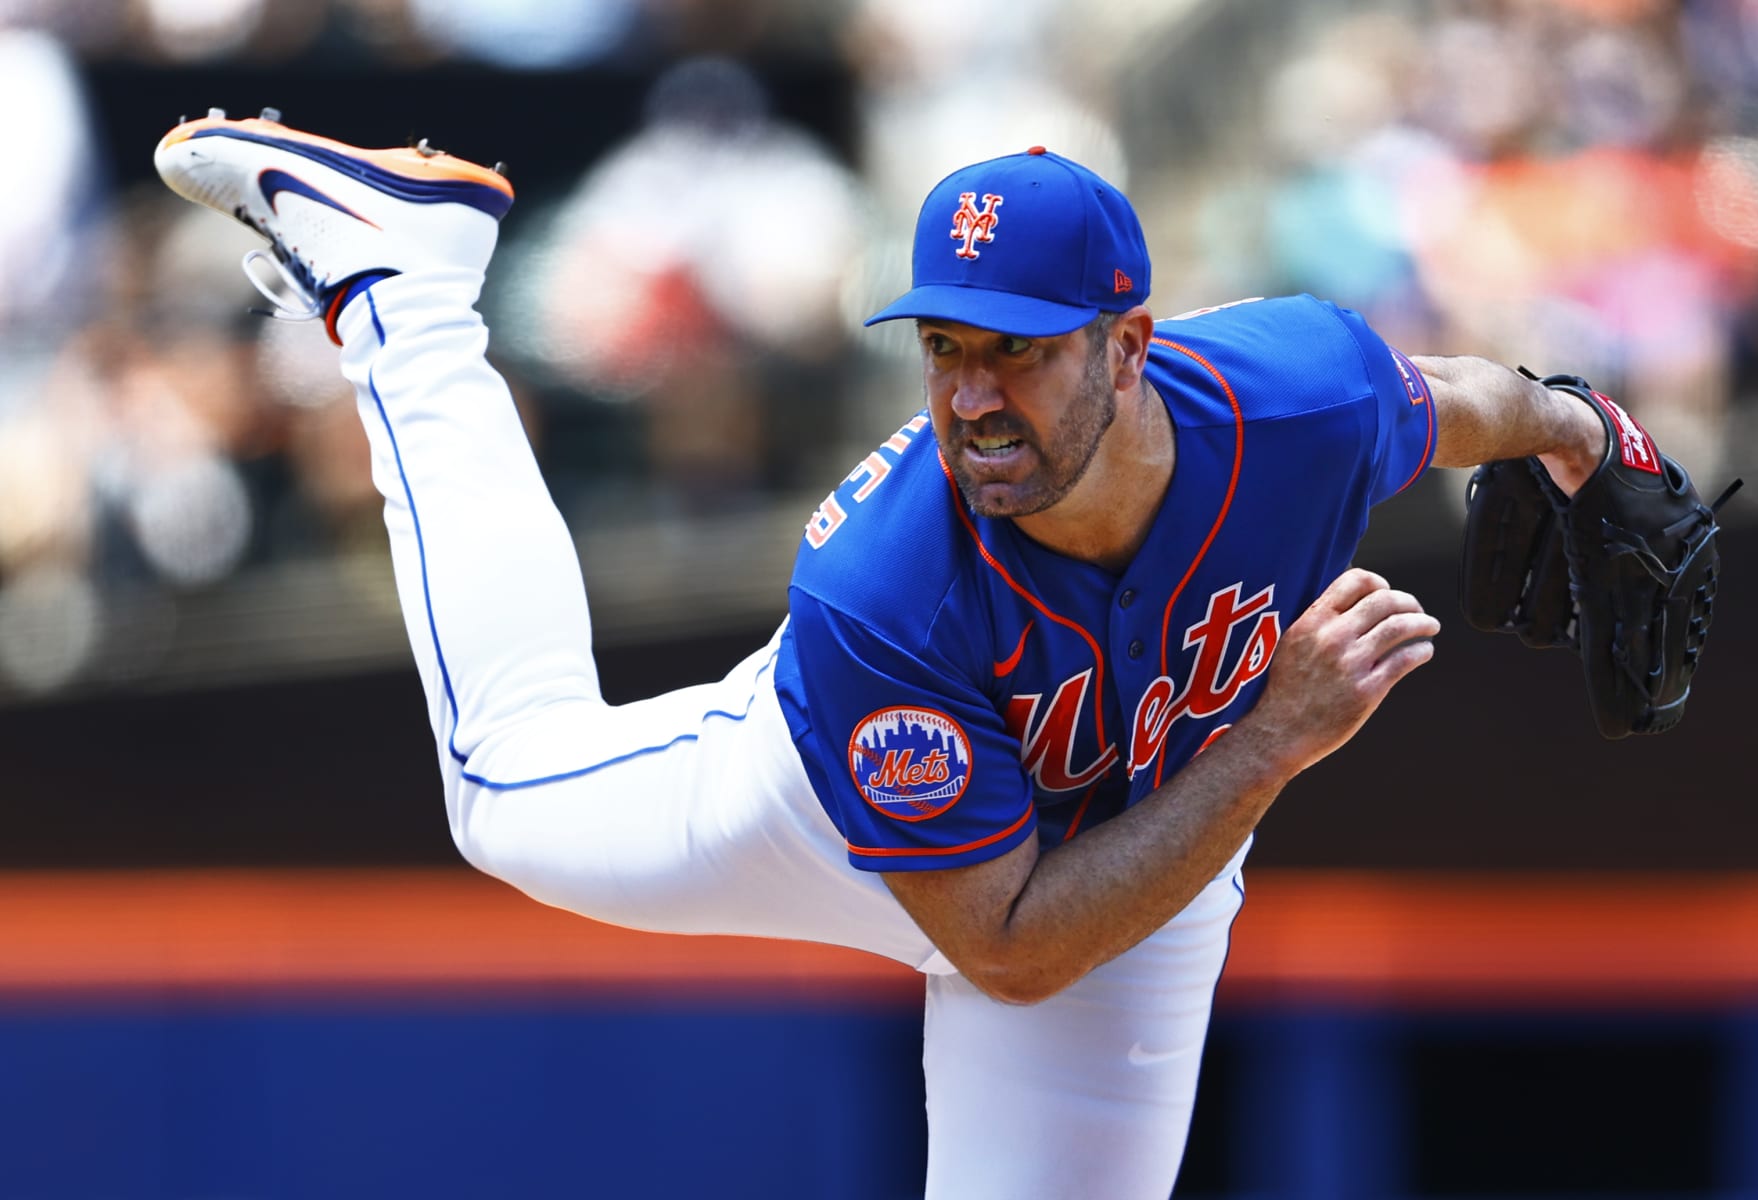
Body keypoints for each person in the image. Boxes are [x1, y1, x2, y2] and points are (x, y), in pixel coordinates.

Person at [154, 115, 1606, 1199]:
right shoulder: (882, 587)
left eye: (1020, 351)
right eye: (945, 349)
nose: (972, 397)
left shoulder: (1305, 394)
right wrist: (1271, 741)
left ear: (1130, 345)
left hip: (1140, 869)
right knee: (504, 789)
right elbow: (1009, 944)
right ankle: (405, 288)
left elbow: (1463, 398)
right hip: (838, 817)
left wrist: (1586, 433)